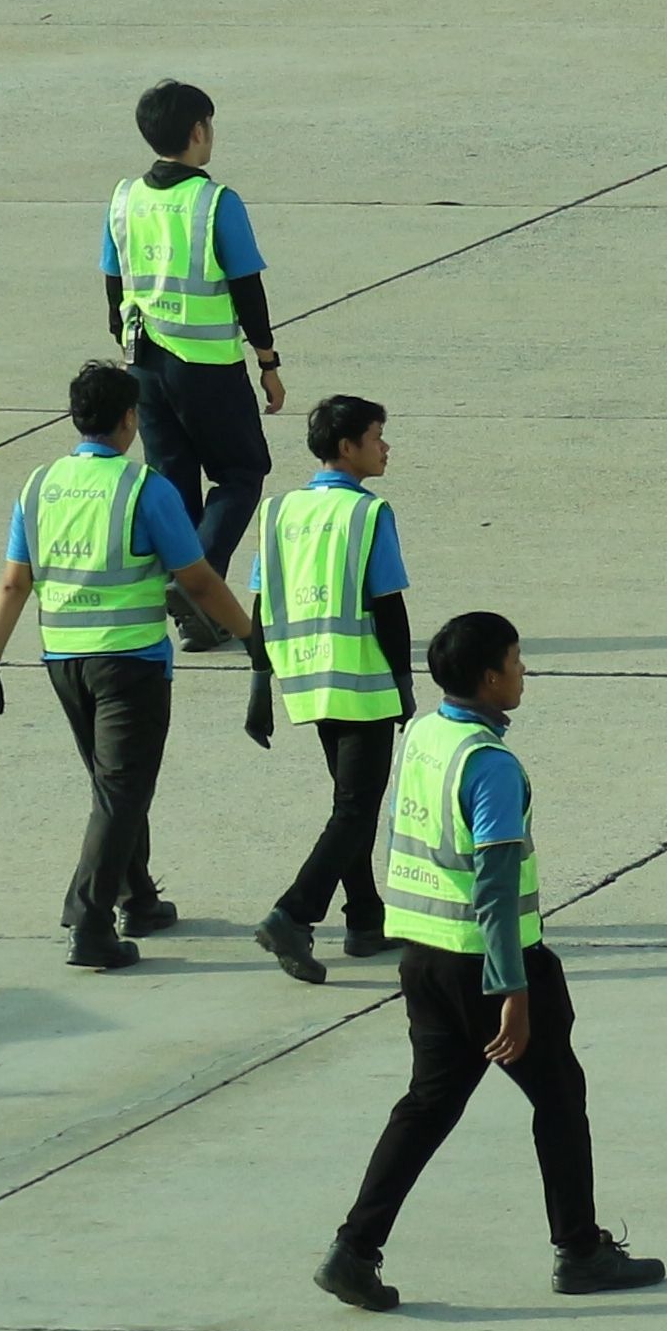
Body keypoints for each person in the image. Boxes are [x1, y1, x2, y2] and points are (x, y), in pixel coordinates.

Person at [317, 612, 664, 1308]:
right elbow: (497, 887)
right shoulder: (490, 765)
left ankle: (354, 1249)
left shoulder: (424, 734)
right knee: (560, 1098)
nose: (522, 670)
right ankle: (580, 1250)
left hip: (424, 959)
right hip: (488, 963)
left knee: (427, 1106)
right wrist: (514, 990)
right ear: (488, 677)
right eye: (515, 659)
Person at [0, 361, 254, 972]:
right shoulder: (143, 489)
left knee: (112, 788)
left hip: (63, 660)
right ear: (130, 420)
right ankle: (90, 920)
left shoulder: (38, 485)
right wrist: (251, 636)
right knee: (122, 793)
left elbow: (14, 582)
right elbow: (198, 581)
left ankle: (138, 899)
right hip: (130, 663)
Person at [103, 80, 288, 606]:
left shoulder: (124, 200)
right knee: (243, 471)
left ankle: (182, 588)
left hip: (144, 365)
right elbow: (247, 287)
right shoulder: (214, 202)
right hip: (206, 364)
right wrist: (268, 361)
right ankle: (197, 588)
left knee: (174, 478)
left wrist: (129, 350)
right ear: (198, 131)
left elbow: (113, 285)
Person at [247, 394, 411, 985]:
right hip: (361, 678)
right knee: (355, 810)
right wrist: (404, 683)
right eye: (377, 437)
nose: (386, 447)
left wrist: (260, 683)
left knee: (350, 804)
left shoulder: (278, 511)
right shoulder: (368, 513)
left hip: (305, 677)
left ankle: (365, 918)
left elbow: (261, 605)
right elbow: (388, 606)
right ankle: (294, 913)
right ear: (348, 448)